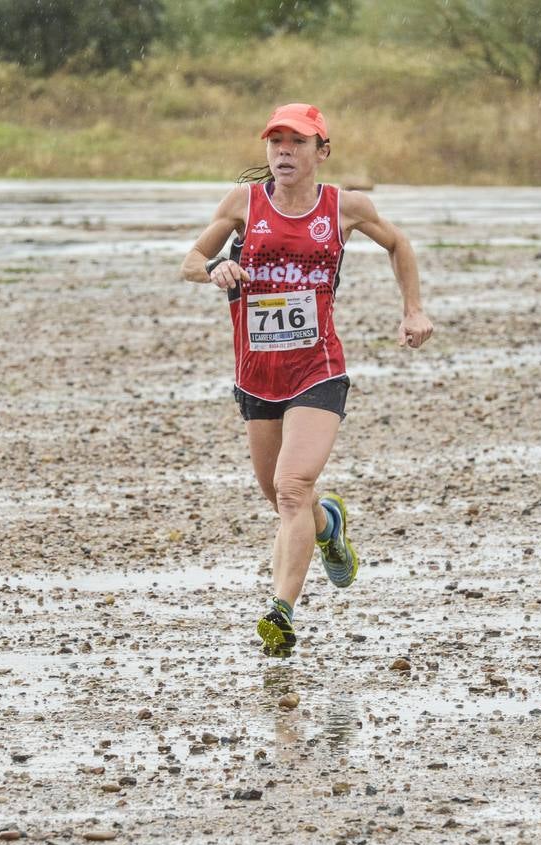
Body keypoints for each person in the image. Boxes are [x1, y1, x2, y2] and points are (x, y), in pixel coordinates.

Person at [181, 103, 433, 654]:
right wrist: (213, 268)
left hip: (318, 370)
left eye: (296, 143)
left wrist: (412, 310)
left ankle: (281, 611)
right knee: (280, 498)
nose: (283, 153)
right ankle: (329, 526)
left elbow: (399, 244)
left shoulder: (345, 207)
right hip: (255, 373)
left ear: (322, 152)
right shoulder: (243, 204)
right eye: (276, 143)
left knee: (293, 488)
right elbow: (190, 259)